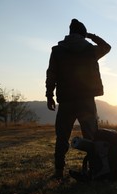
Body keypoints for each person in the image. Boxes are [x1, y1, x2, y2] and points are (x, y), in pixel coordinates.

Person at [45, 18, 111, 179]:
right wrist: (90, 35)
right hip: (86, 101)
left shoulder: (57, 51)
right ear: (82, 33)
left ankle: (59, 171)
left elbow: (51, 75)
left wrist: (49, 95)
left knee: (62, 137)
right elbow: (107, 47)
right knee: (91, 137)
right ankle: (95, 168)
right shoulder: (90, 50)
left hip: (66, 100)